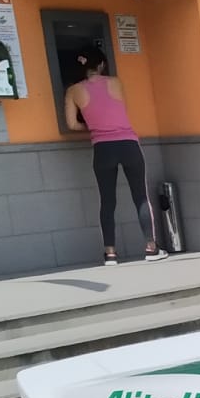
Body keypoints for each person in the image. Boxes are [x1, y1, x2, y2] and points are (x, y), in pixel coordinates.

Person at [64, 52, 164, 266]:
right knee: (141, 197)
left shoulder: (73, 90)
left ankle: (110, 254)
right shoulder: (116, 82)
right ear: (101, 64)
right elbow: (119, 111)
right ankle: (151, 248)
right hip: (128, 144)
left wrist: (94, 126)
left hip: (102, 149)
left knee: (107, 201)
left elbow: (72, 124)